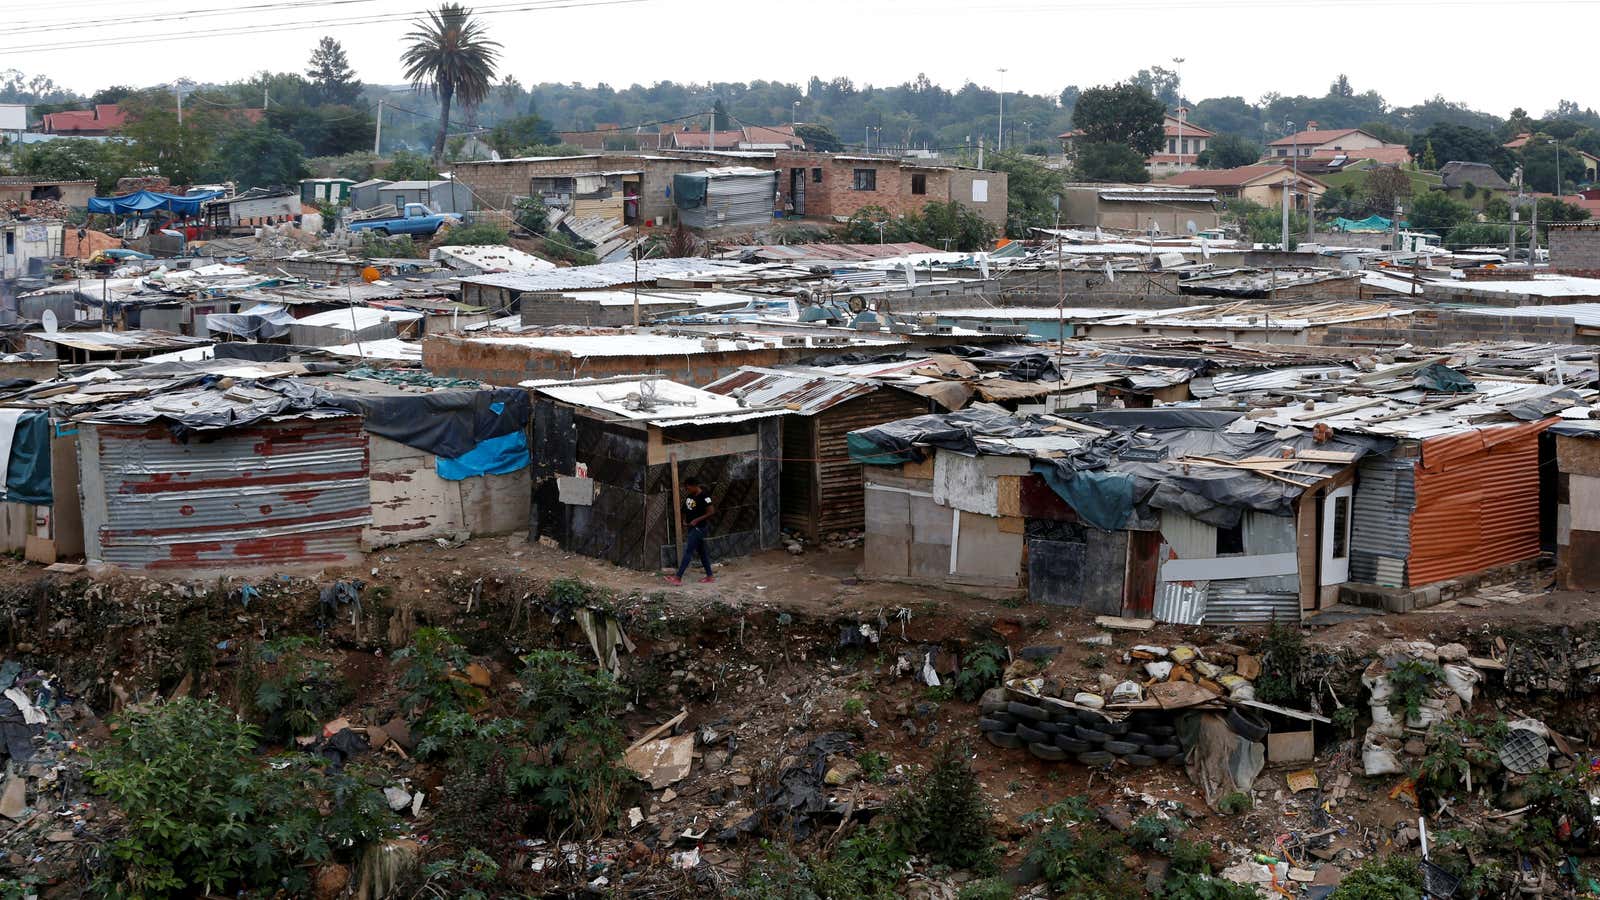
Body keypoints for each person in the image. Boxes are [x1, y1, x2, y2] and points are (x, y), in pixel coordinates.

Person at [666, 479, 715, 585]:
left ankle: (678, 578)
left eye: (688, 487)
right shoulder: (690, 496)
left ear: (694, 486)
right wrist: (684, 521)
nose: (686, 490)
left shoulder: (704, 497)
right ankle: (710, 576)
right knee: (702, 552)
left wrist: (697, 520)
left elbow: (711, 512)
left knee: (688, 551)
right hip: (692, 527)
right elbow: (685, 509)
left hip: (699, 528)